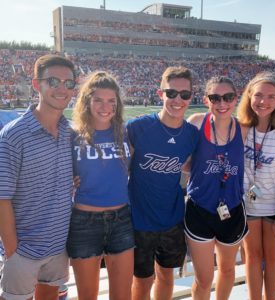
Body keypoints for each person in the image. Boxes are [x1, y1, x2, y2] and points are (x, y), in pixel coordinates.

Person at [0, 54, 76, 300]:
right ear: (37, 85)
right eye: (53, 81)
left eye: (68, 83)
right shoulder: (14, 136)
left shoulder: (70, 131)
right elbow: (2, 198)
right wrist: (13, 251)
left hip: (57, 248)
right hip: (23, 252)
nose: (62, 88)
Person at [127, 66, 199, 300]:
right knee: (142, 280)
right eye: (171, 93)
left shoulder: (191, 134)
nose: (178, 100)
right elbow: (117, 167)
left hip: (173, 219)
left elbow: (190, 165)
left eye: (184, 95)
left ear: (191, 97)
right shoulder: (138, 128)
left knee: (167, 276)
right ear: (160, 94)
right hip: (140, 220)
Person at [66, 71, 134, 300]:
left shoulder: (126, 132)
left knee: (122, 295)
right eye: (98, 100)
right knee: (87, 296)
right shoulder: (71, 135)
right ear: (87, 101)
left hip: (121, 219)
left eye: (111, 101)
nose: (105, 106)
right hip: (84, 221)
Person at [184, 76, 248, 300]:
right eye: (215, 98)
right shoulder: (196, 122)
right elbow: (180, 161)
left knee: (228, 270)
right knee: (203, 279)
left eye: (228, 97)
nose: (222, 103)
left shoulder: (244, 129)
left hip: (232, 209)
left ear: (236, 98)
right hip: (200, 209)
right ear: (206, 100)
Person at [237, 72, 275, 300]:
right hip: (248, 205)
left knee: (273, 259)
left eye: (271, 96)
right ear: (249, 96)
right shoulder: (241, 127)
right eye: (259, 95)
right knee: (252, 257)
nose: (264, 101)